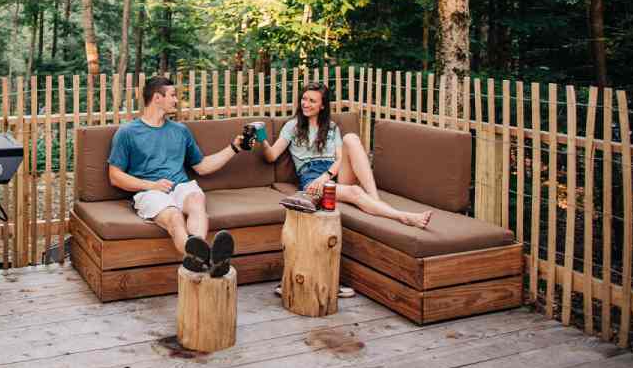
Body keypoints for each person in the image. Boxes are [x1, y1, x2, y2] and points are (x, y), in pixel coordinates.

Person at [108, 76, 244, 277]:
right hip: (149, 191)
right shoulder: (128, 132)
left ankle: (200, 258)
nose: (176, 100)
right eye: (172, 95)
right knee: (174, 217)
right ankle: (209, 262)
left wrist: (234, 148)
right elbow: (115, 176)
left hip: (181, 186)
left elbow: (202, 166)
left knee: (197, 200)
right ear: (157, 98)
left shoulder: (180, 130)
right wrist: (151, 185)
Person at [262, 82, 433, 229]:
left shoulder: (331, 126)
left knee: (351, 138)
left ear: (322, 105)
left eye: (312, 101)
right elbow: (271, 156)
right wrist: (261, 137)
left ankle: (375, 199)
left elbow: (340, 158)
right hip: (312, 179)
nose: (306, 104)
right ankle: (403, 217)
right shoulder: (292, 126)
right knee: (355, 191)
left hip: (334, 172)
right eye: (304, 99)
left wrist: (327, 175)